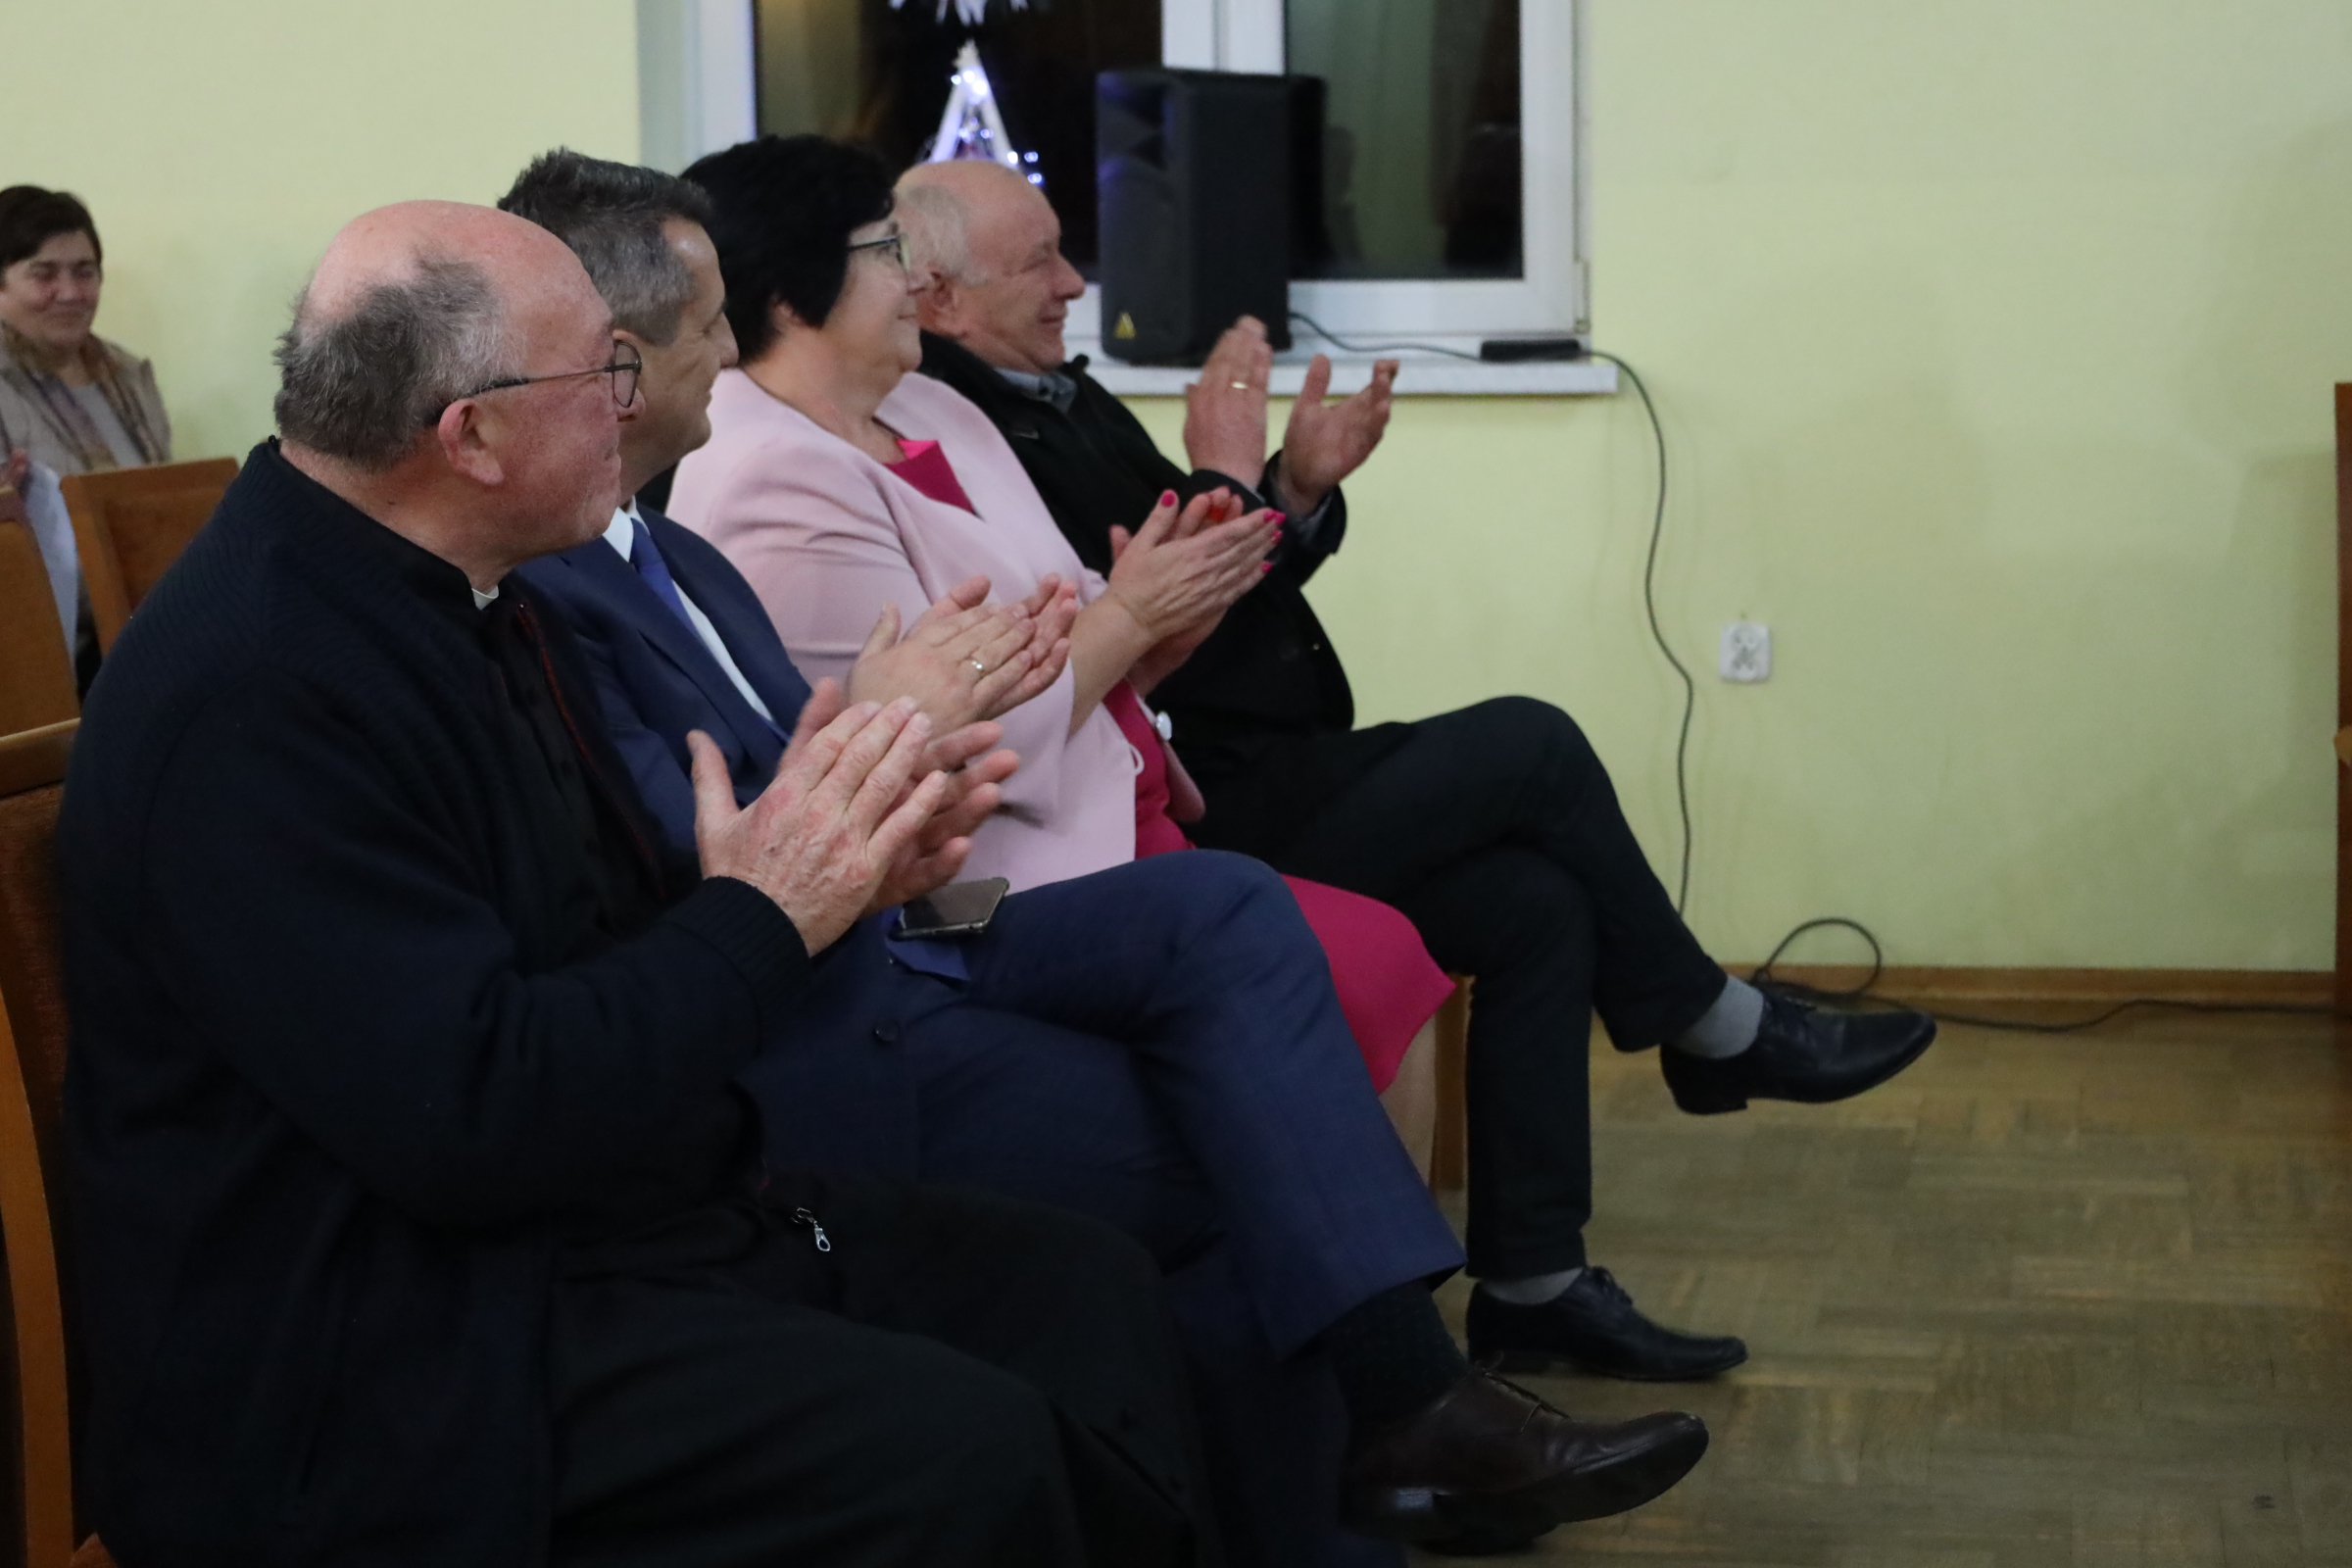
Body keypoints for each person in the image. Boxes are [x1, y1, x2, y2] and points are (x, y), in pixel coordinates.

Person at [498, 148, 1706, 1565]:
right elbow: (716, 848)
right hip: (850, 983)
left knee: (1238, 908)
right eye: (707, 329)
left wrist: (1171, 577)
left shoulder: (691, 544)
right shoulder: (597, 566)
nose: (727, 358)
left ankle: (1419, 1406)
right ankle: (1407, 1417)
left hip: (958, 879)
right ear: (618, 364)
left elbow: (1056, 620)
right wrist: (904, 731)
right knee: (1274, 1099)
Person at [61, 197, 1241, 1568]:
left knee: (1082, 1286)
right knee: (968, 1453)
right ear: (472, 438)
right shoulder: (258, 694)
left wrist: (838, 872)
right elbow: (476, 1113)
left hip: (575, 1226)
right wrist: (769, 910)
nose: (637, 405)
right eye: (602, 374)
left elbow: (591, 940)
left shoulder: (474, 589)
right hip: (374, 1357)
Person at [897, 157, 1940, 1383]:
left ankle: (1535, 1283)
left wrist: (1290, 488)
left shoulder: (1050, 390)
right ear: (940, 297)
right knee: (1532, 743)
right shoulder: (956, 425)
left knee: (1534, 905)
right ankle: (1711, 1024)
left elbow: (1206, 584)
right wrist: (1229, 480)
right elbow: (1140, 621)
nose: (1076, 282)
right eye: (1040, 261)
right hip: (1185, 801)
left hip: (1270, 760)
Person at [668, 134, 1455, 1113]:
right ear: (792, 297)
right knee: (1371, 958)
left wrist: (1152, 630)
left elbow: (1070, 609)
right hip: (987, 879)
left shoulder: (931, 404)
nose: (913, 277)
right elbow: (934, 739)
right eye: (885, 251)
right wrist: (1132, 613)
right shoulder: (770, 475)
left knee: (1432, 942)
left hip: (1119, 805)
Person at [0, 185, 172, 684]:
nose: (71, 292)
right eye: (44, 274)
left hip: (146, 626)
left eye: (84, 271)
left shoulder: (127, 375)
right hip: (40, 655)